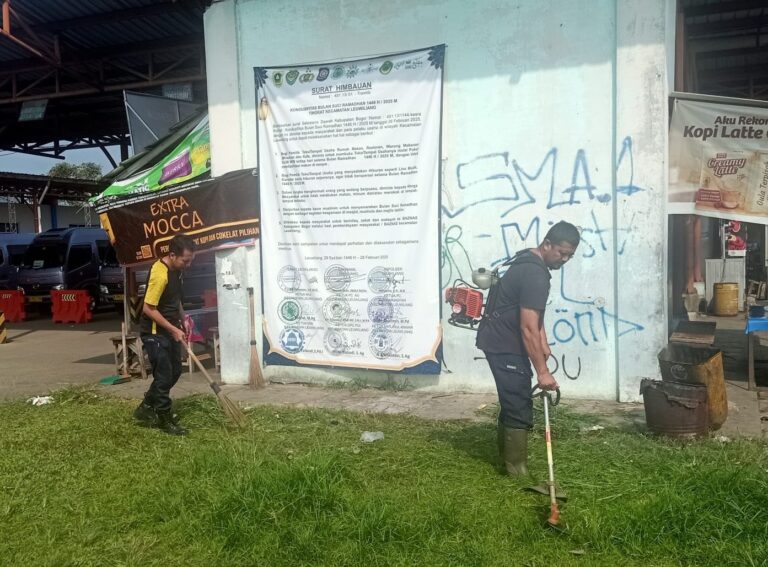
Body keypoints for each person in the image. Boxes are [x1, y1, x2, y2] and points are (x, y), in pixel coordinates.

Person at [476, 221, 580, 476]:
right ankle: (516, 470)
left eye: (570, 255)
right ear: (547, 244)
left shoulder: (527, 261)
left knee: (513, 397)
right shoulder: (535, 274)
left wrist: (543, 344)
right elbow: (528, 328)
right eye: (561, 252)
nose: (565, 259)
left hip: (499, 340)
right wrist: (543, 372)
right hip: (505, 344)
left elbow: (533, 314)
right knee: (518, 402)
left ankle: (505, 457)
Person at [133, 235, 195, 435]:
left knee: (175, 371)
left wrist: (183, 319)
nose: (188, 264)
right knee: (164, 375)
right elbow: (149, 309)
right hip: (154, 333)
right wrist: (173, 329)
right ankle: (163, 417)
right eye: (186, 260)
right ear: (172, 255)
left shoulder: (176, 271)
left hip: (170, 329)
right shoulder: (160, 274)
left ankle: (145, 407)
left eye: (191, 260)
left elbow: (174, 299)